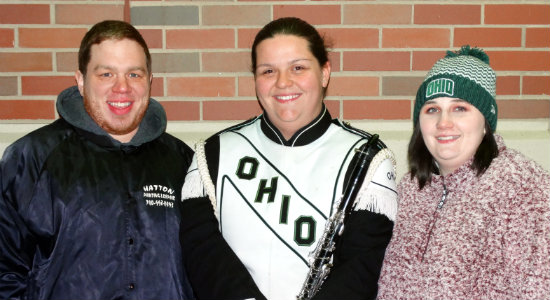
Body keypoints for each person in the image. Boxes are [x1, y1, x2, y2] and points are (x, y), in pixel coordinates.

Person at [180, 17, 397, 299]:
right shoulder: (213, 152)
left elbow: (363, 268)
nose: (283, 83)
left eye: (298, 68)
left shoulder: (369, 159)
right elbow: (202, 253)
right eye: (268, 71)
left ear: (324, 73)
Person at [0, 20, 195, 299]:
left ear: (150, 81)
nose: (122, 88)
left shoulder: (182, 162)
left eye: (134, 75)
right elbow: (5, 273)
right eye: (106, 74)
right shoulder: (30, 159)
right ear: (80, 80)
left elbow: (204, 266)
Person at [377, 46, 550, 299]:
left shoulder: (525, 189)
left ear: (485, 123)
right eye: (432, 109)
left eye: (460, 108)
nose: (443, 123)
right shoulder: (409, 189)